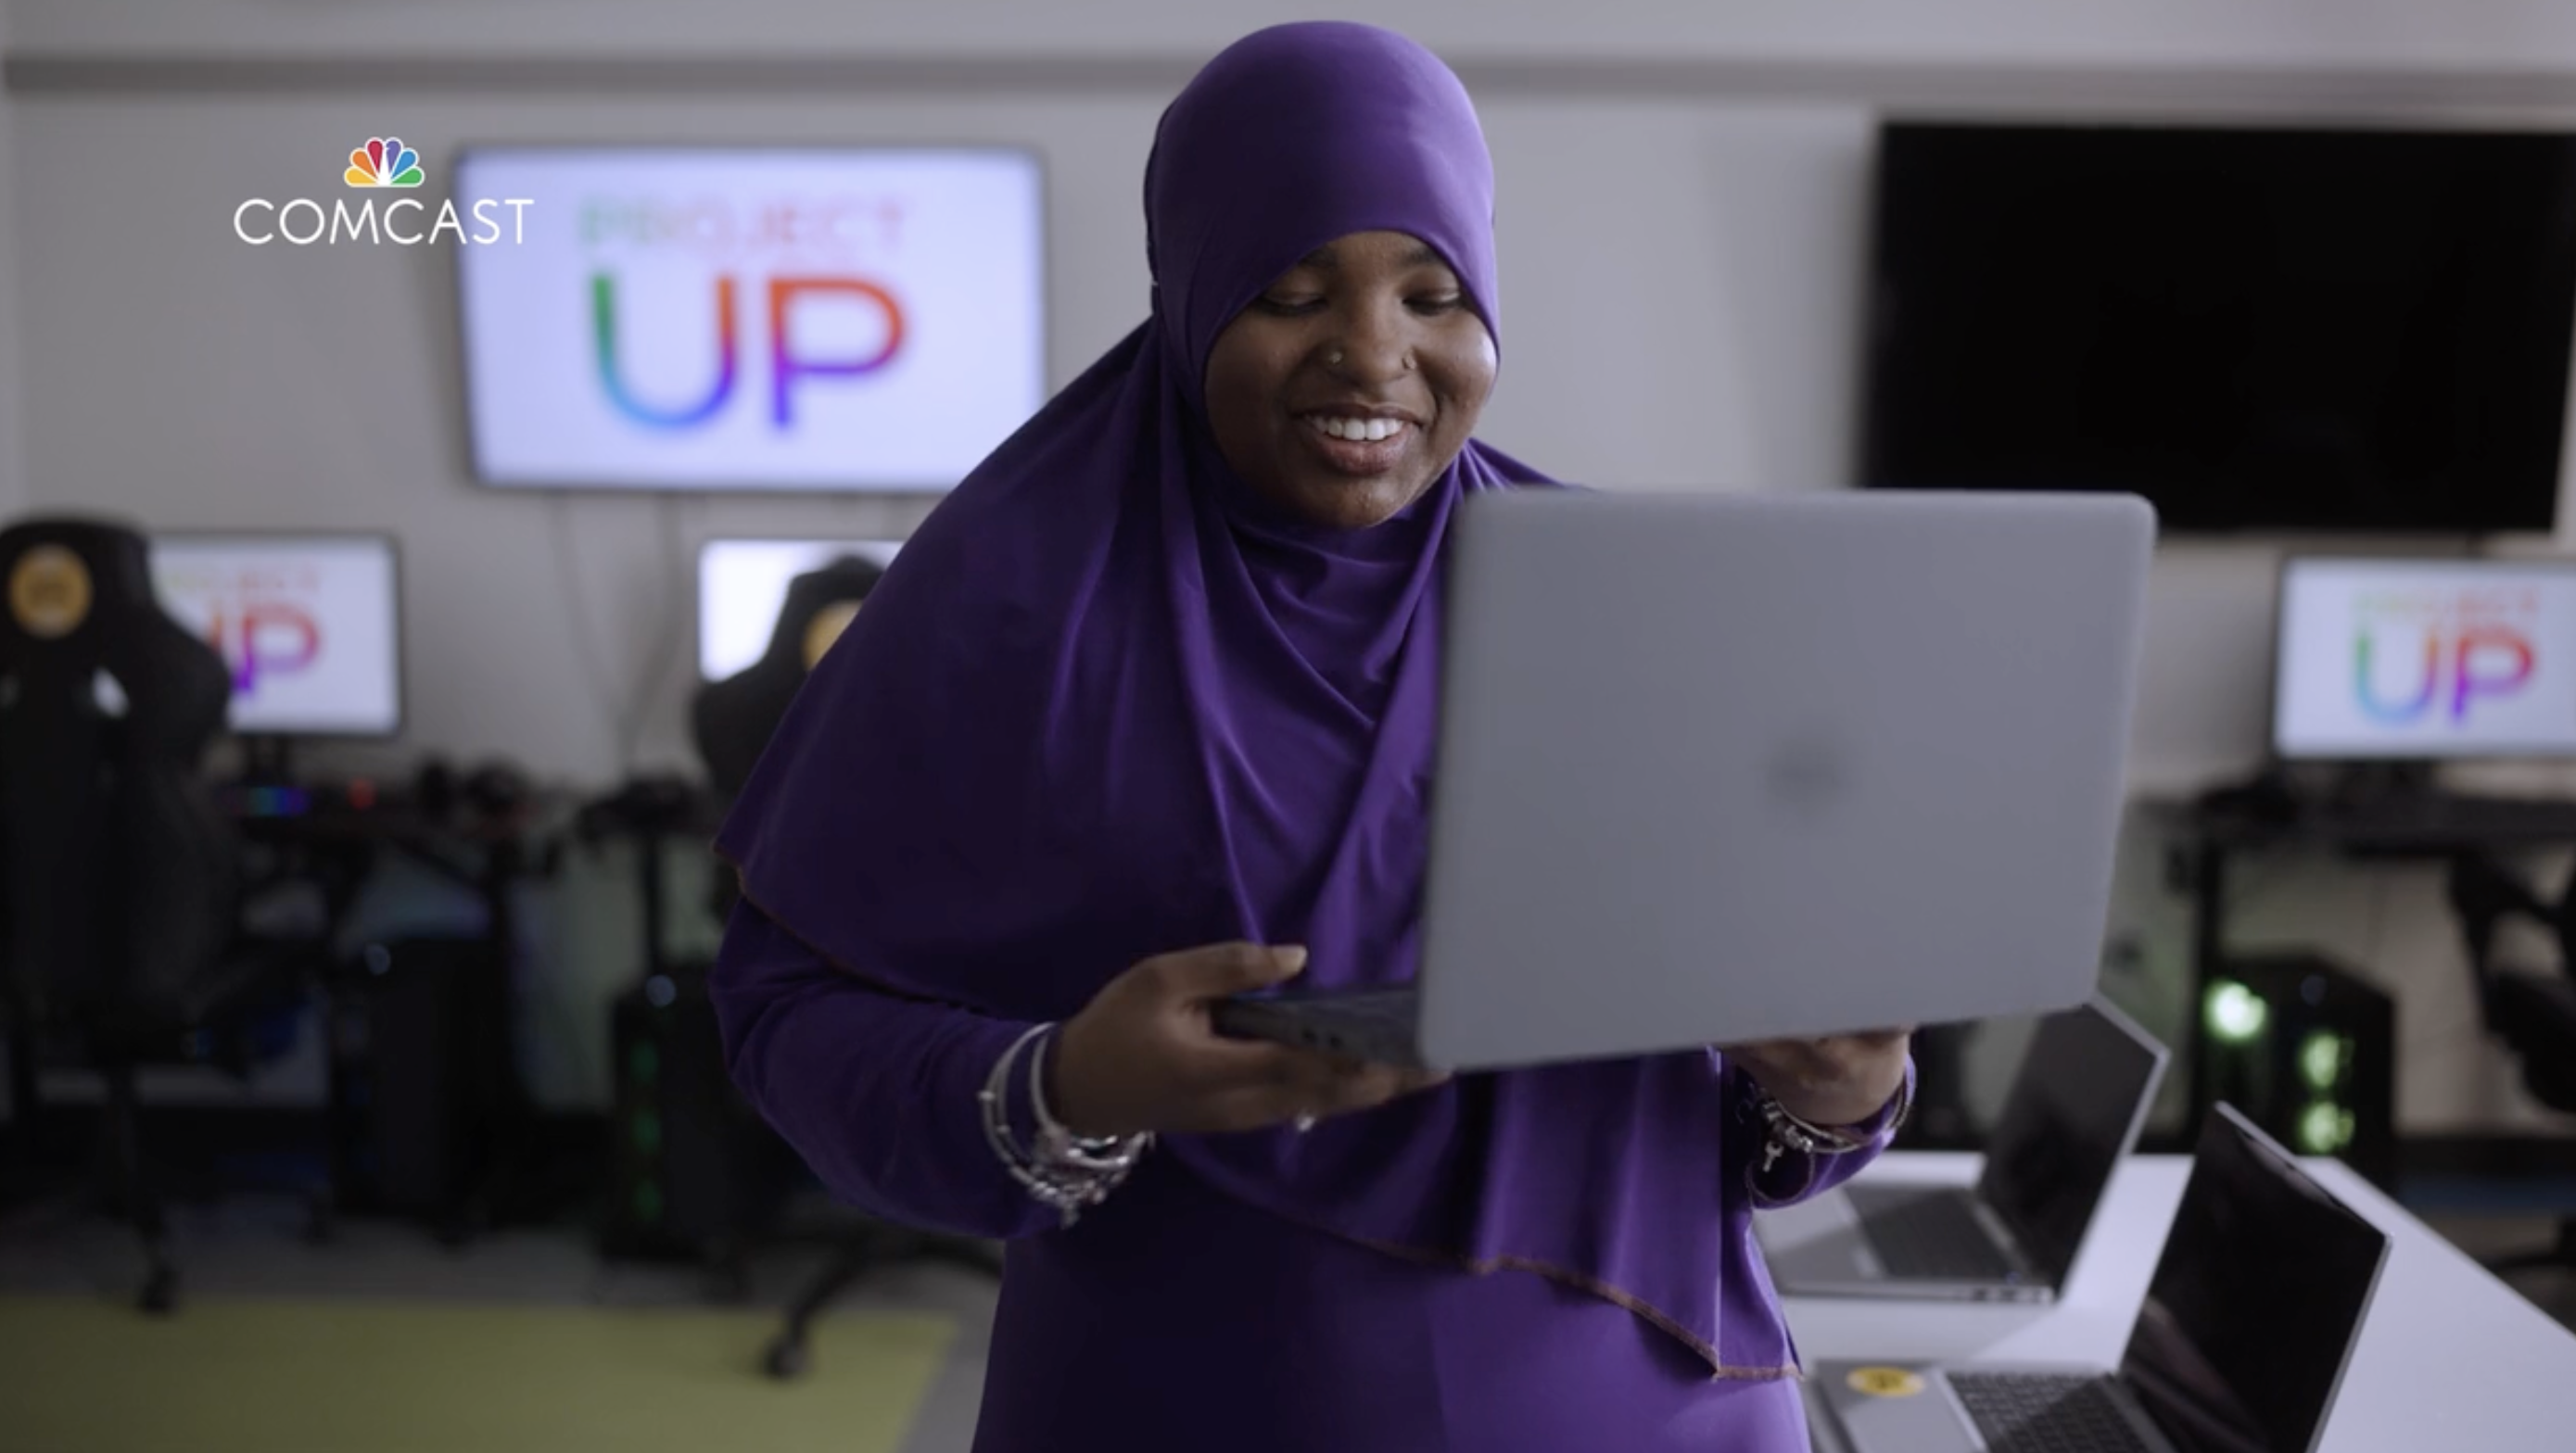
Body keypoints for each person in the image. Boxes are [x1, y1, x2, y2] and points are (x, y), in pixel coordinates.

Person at [710, 21, 1912, 1451]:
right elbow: (790, 1016)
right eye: (1290, 290)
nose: (1373, 354)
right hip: (1194, 1397)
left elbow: (1751, 1102)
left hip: (1642, 1406)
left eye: (1432, 292)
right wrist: (1065, 1086)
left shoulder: (1624, 604)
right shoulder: (1006, 599)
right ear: (1192, 294)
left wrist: (1844, 1094)